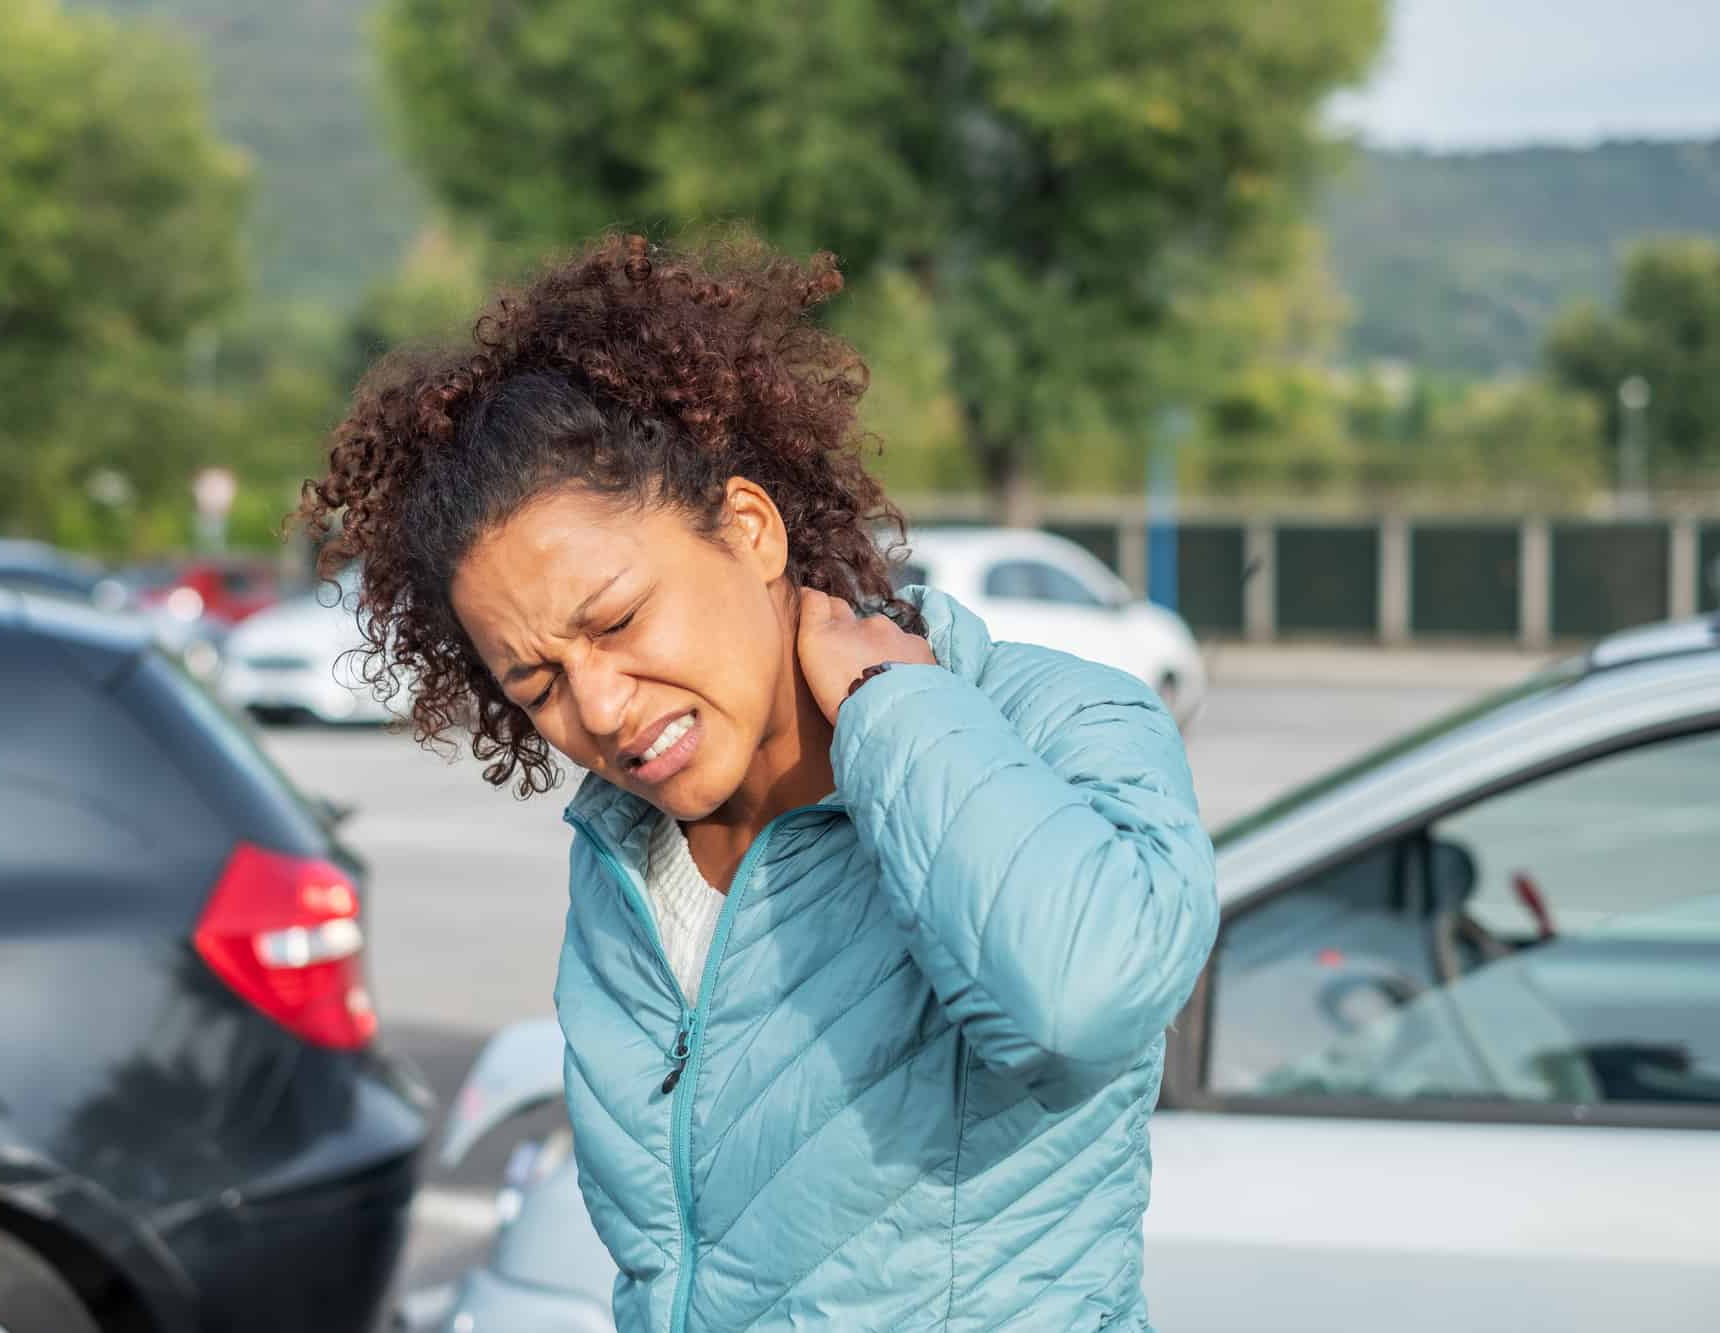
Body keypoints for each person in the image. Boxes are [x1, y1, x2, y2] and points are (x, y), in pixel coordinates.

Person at [295, 233, 1218, 1332]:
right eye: (536, 681)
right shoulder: (622, 855)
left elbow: (1080, 1005)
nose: (594, 707)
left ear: (748, 527)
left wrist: (891, 708)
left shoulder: (1052, 718)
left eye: (618, 620)